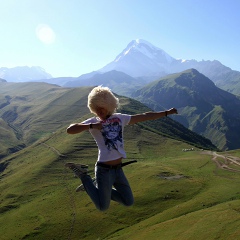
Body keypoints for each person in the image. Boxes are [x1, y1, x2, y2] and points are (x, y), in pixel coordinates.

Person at [65, 86, 178, 211]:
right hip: (104, 170)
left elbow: (146, 116)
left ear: (109, 105)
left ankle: (94, 186)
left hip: (118, 170)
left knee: (128, 201)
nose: (99, 111)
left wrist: (167, 112)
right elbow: (70, 129)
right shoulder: (93, 122)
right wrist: (91, 126)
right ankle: (85, 178)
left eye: (102, 107)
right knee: (103, 207)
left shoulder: (120, 118)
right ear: (93, 107)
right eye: (96, 108)